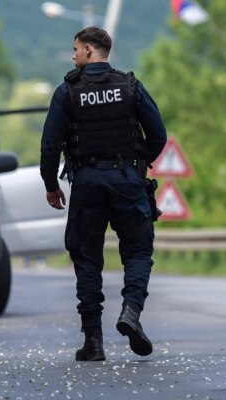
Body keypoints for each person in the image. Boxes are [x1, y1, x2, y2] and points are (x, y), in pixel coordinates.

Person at [40, 26, 167, 361]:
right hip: (127, 180)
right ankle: (131, 313)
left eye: (76, 49)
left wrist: (51, 185)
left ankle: (93, 342)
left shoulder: (66, 92)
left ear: (89, 50)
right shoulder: (130, 86)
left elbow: (50, 145)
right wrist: (139, 163)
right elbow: (158, 134)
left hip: (87, 183)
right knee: (138, 252)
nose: (73, 55)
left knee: (87, 257)